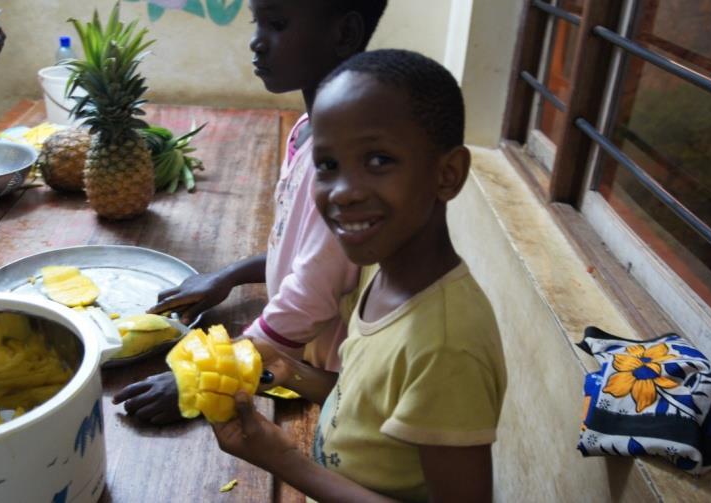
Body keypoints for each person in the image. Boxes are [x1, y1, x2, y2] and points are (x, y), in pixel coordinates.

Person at [211, 49, 508, 502]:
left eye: (378, 160)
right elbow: (362, 403)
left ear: (447, 174)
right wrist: (288, 372)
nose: (344, 192)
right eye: (328, 165)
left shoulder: (448, 346)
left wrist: (285, 461)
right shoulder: (384, 275)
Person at [112, 0, 389, 424]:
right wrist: (229, 276)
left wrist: (206, 375)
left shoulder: (344, 165)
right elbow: (303, 253)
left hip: (326, 383)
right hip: (287, 351)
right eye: (256, 23)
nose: (257, 43)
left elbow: (310, 299)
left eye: (277, 24)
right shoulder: (307, 130)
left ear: (343, 34)